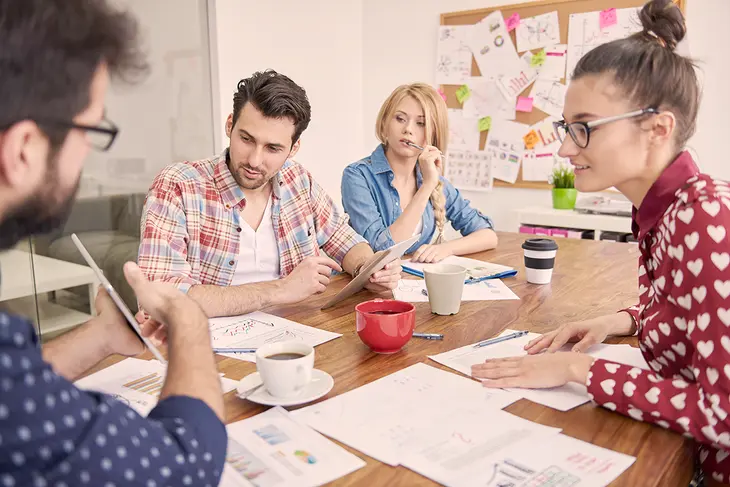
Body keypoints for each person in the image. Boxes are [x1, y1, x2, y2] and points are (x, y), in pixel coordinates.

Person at [471, 1, 730, 484]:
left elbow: (724, 414)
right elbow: (694, 313)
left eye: (583, 128)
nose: (566, 148)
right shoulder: (669, 209)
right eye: (565, 128)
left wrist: (579, 371)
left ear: (658, 128)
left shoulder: (704, 218)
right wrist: (617, 321)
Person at [0, 1, 228, 485]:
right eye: (92, 130)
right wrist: (189, 318)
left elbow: (17, 386)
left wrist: (103, 333)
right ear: (23, 149)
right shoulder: (181, 182)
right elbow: (184, 465)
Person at [138, 70, 401, 319]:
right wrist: (281, 289)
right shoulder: (177, 186)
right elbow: (159, 297)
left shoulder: (297, 180)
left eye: (273, 148)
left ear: (293, 148)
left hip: (294, 338)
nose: (254, 160)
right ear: (230, 125)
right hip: (206, 349)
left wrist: (368, 269)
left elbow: (343, 239)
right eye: (246, 139)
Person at [341, 83, 497, 263]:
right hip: (370, 285)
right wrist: (427, 187)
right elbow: (381, 250)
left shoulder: (435, 181)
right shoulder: (357, 176)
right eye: (400, 119)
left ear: (433, 134)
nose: (408, 129)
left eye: (421, 123)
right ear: (384, 123)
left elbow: (487, 235)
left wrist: (445, 249)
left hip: (411, 282)